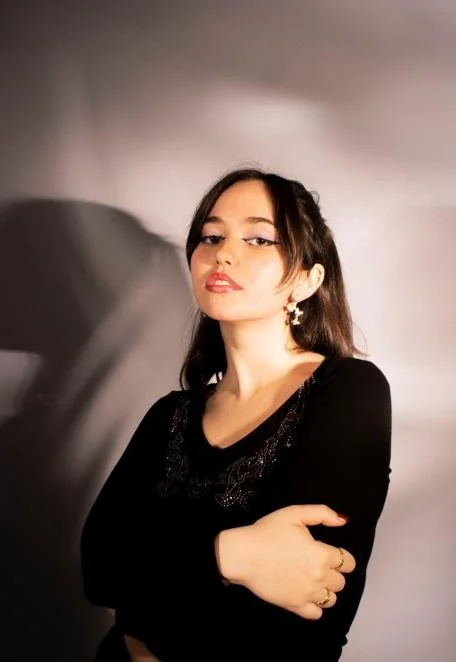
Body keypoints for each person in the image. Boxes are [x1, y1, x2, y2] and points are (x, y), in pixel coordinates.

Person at [80, 168, 392, 661]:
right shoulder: (171, 414)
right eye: (211, 236)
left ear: (307, 281)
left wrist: (147, 598)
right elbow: (99, 570)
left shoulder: (350, 391)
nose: (223, 253)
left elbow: (296, 620)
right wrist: (233, 555)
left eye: (259, 239)